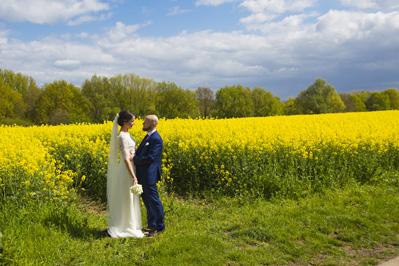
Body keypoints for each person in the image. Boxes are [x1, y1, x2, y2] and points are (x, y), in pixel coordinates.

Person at [106, 111, 144, 238]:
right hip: (127, 169)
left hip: (132, 167)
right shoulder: (122, 136)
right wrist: (134, 176)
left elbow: (131, 152)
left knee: (131, 197)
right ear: (124, 121)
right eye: (132, 121)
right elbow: (125, 158)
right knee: (127, 196)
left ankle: (131, 224)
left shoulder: (127, 134)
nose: (133, 123)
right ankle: (126, 225)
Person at [133, 115, 165, 237]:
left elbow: (151, 158)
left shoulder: (156, 139)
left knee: (154, 201)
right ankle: (151, 226)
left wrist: (134, 159)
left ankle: (159, 227)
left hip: (149, 175)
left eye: (145, 122)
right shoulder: (148, 137)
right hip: (143, 175)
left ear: (152, 124)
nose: (142, 124)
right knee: (147, 201)